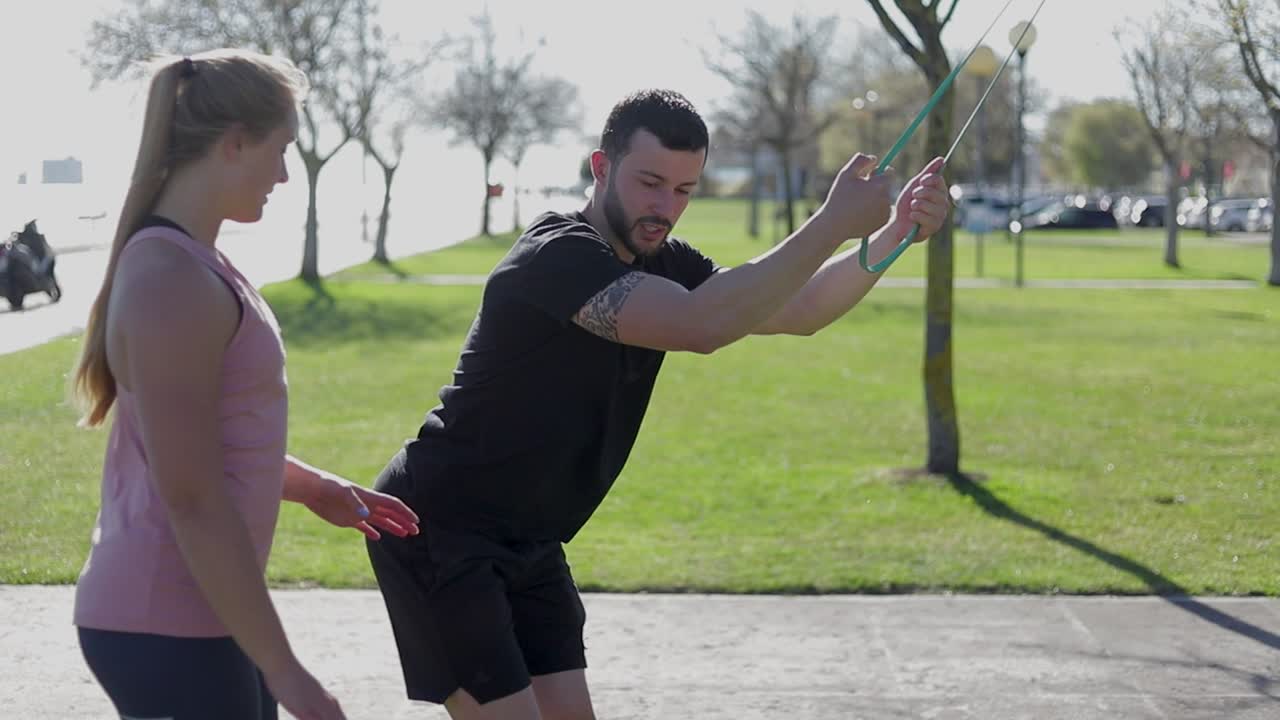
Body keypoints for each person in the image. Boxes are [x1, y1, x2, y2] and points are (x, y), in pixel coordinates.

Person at [365, 88, 951, 719]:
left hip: (530, 537)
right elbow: (700, 325)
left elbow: (801, 309)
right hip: (438, 526)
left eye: (683, 190)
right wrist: (832, 222)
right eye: (650, 183)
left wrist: (896, 232)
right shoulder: (554, 254)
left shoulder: (667, 263)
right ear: (601, 167)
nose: (665, 207)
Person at [69, 49, 420, 720]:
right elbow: (193, 496)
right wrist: (287, 671)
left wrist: (313, 487)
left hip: (198, 614)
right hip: (164, 621)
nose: (285, 174)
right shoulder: (170, 279)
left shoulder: (195, 263)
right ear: (233, 143)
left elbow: (206, 444)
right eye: (280, 150)